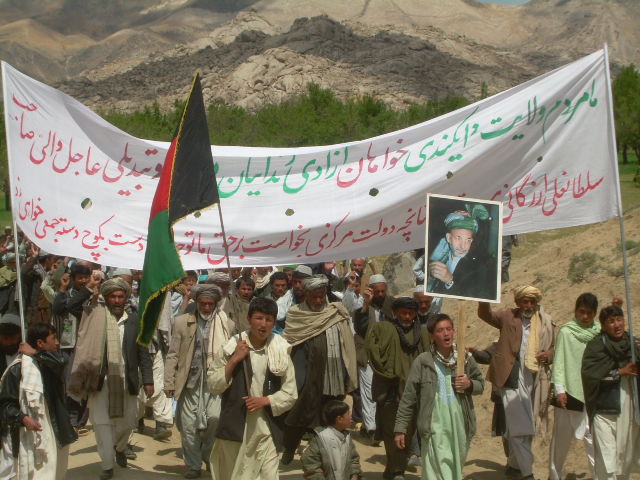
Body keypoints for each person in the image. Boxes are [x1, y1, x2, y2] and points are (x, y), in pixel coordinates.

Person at [68, 277, 154, 480]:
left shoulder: (134, 319)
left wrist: (148, 379)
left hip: (127, 379)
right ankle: (107, 465)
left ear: (126, 298)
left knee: (128, 423)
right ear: (105, 298)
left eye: (120, 296)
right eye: (112, 297)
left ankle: (120, 448)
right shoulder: (94, 315)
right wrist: (90, 288)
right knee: (101, 424)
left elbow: (142, 352)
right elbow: (70, 306)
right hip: (100, 380)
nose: (116, 300)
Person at [208, 297, 297, 479]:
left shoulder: (280, 349)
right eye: (258, 318)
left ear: (274, 322)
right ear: (249, 319)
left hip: (266, 428)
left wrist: (266, 400)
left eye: (268, 319)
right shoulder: (231, 346)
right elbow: (213, 385)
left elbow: (291, 393)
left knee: (268, 475)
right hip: (237, 426)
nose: (263, 324)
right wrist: (234, 359)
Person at [478, 286, 555, 480]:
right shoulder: (507, 316)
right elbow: (485, 314)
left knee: (527, 426)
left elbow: (554, 348)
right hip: (510, 376)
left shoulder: (546, 321)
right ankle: (528, 473)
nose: (528, 305)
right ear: (518, 302)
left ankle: (514, 465)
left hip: (536, 379)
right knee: (521, 426)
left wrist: (548, 354)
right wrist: (484, 296)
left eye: (532, 302)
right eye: (524, 301)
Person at [394, 314, 484, 480]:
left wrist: (469, 384)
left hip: (459, 424)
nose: (446, 334)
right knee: (440, 470)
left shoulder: (464, 358)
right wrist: (400, 428)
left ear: (454, 331)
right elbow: (408, 397)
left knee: (455, 469)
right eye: (440, 330)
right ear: (431, 336)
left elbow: (480, 385)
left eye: (449, 329)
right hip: (433, 424)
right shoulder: (423, 361)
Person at [281, 275, 357, 464]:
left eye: (321, 296)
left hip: (334, 375)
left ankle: (327, 458)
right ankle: (289, 448)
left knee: (330, 416)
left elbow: (347, 341)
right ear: (306, 294)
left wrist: (347, 372)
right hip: (308, 374)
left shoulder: (336, 312)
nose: (318, 300)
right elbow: (290, 342)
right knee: (300, 412)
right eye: (314, 297)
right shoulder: (297, 314)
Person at [164, 284, 233, 478]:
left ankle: (208, 455)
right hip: (190, 381)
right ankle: (193, 465)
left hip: (215, 381)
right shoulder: (182, 322)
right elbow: (173, 354)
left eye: (210, 304)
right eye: (203, 303)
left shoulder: (226, 324)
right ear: (197, 302)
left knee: (215, 419)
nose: (207, 308)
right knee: (188, 426)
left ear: (216, 304)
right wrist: (169, 382)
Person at [0, 322, 77, 479]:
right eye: (53, 338)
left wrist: (34, 353)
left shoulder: (51, 364)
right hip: (30, 436)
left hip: (56, 430)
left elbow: (62, 361)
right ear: (40, 343)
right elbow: (5, 405)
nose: (57, 342)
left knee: (58, 473)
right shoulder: (17, 370)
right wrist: (23, 418)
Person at [365, 296, 430, 480]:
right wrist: (389, 372)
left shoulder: (422, 334)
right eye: (403, 313)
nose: (407, 317)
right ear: (395, 313)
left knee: (408, 432)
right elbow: (371, 348)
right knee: (391, 431)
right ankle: (397, 471)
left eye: (411, 313)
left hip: (413, 393)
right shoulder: (384, 329)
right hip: (391, 391)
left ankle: (393, 468)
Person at [582, 305, 640, 480]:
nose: (617, 325)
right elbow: (590, 376)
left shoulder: (631, 343)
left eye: (619, 320)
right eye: (611, 321)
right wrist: (619, 372)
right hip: (604, 411)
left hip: (628, 410)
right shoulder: (596, 346)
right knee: (607, 461)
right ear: (603, 325)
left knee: (624, 459)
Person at [548, 293, 600, 480]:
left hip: (592, 393)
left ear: (595, 314)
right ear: (575, 310)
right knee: (561, 440)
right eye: (581, 312)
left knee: (593, 439)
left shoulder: (598, 332)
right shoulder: (566, 331)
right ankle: (554, 475)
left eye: (589, 313)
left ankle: (600, 476)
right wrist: (560, 390)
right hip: (569, 392)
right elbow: (559, 361)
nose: (585, 317)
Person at [352, 274, 394, 442]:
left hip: (387, 355)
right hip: (367, 354)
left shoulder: (392, 304)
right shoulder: (362, 304)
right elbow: (360, 329)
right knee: (368, 391)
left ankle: (380, 425)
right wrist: (366, 304)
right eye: (377, 292)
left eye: (383, 291)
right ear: (370, 290)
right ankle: (371, 429)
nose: (381, 295)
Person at [426, 204, 495, 299]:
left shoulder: (479, 266)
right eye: (458, 238)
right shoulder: (439, 251)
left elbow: (471, 298)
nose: (463, 246)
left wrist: (449, 281)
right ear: (449, 238)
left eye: (468, 240)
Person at [301, 400, 362, 480]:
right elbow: (310, 464)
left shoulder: (347, 437)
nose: (351, 417)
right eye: (348, 414)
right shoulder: (320, 439)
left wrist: (354, 475)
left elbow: (354, 459)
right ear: (339, 419)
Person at [275, 265, 312, 335]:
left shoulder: (316, 299)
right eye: (295, 282)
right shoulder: (286, 300)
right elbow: (276, 327)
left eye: (301, 282)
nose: (297, 286)